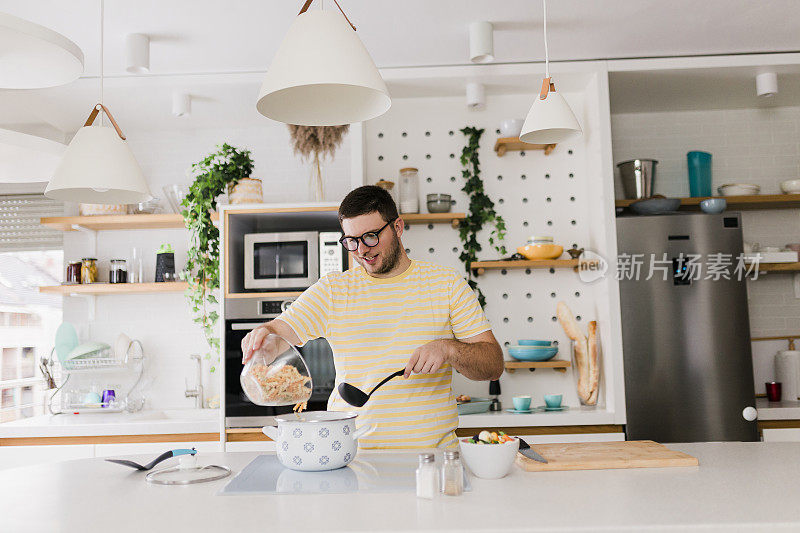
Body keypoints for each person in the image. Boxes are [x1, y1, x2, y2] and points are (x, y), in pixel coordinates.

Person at [241, 185, 503, 448]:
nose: (361, 250)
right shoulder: (333, 290)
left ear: (398, 227)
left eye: (370, 236)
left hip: (432, 461)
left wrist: (448, 349)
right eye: (351, 241)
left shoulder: (446, 284)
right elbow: (277, 332)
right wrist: (264, 339)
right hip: (351, 457)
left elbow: (493, 365)